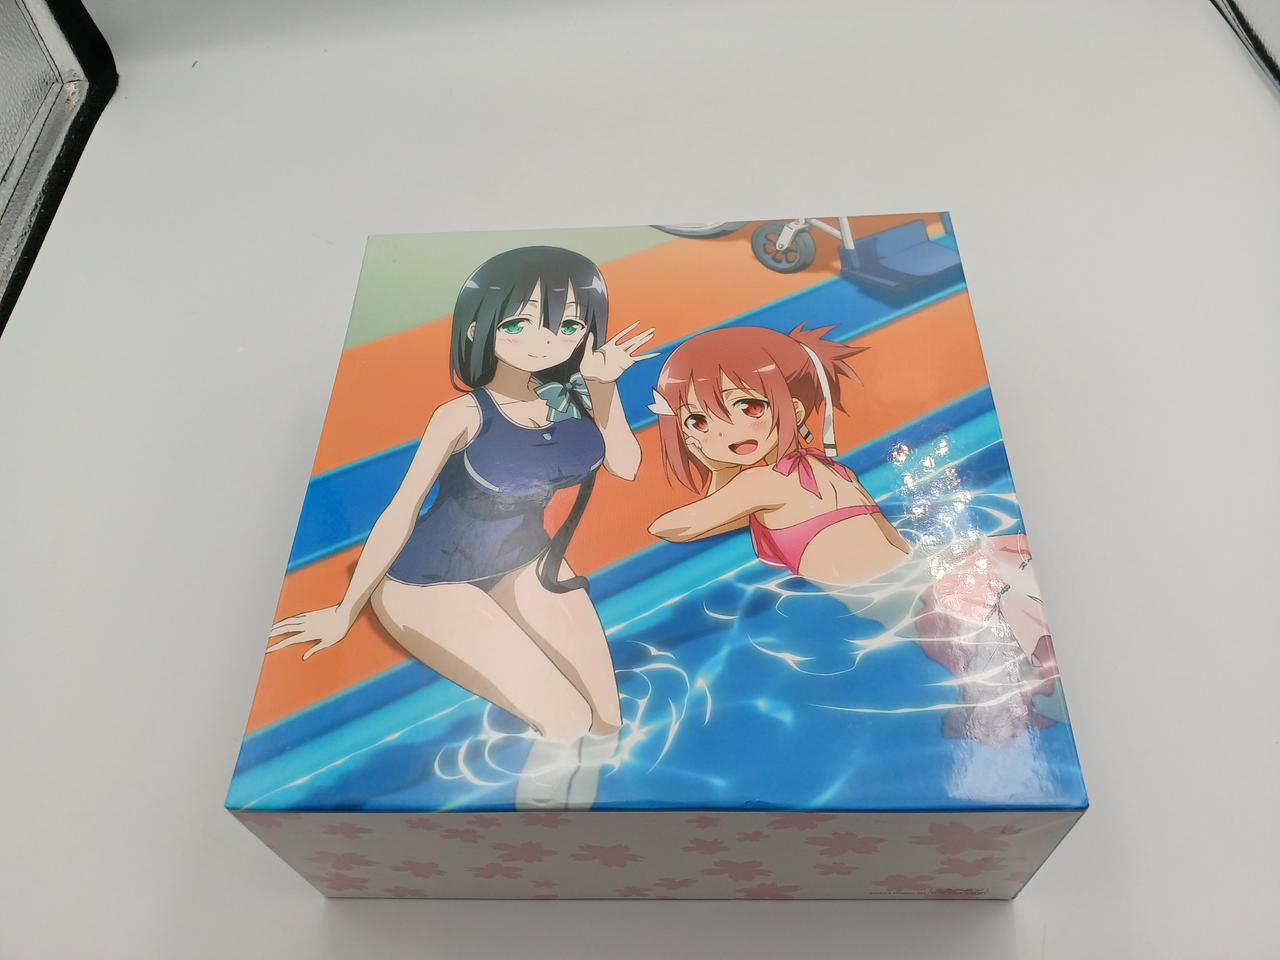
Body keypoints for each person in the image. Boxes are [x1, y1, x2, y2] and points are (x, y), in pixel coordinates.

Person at [266, 247, 657, 805]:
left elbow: (626, 465)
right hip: (429, 580)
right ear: (479, 327)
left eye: (568, 326)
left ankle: (583, 821)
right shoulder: (463, 415)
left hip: (528, 558)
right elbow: (401, 509)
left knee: (606, 723)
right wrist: (345, 610)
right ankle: (539, 839)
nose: (546, 342)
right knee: (565, 720)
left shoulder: (573, 397)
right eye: (520, 323)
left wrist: (603, 386)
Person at [647, 324, 909, 585]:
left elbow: (671, 528)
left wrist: (720, 470)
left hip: (869, 594)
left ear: (794, 411)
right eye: (698, 422)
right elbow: (726, 517)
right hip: (902, 580)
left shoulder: (760, 482)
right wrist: (721, 472)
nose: (726, 432)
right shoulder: (835, 470)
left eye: (749, 407)